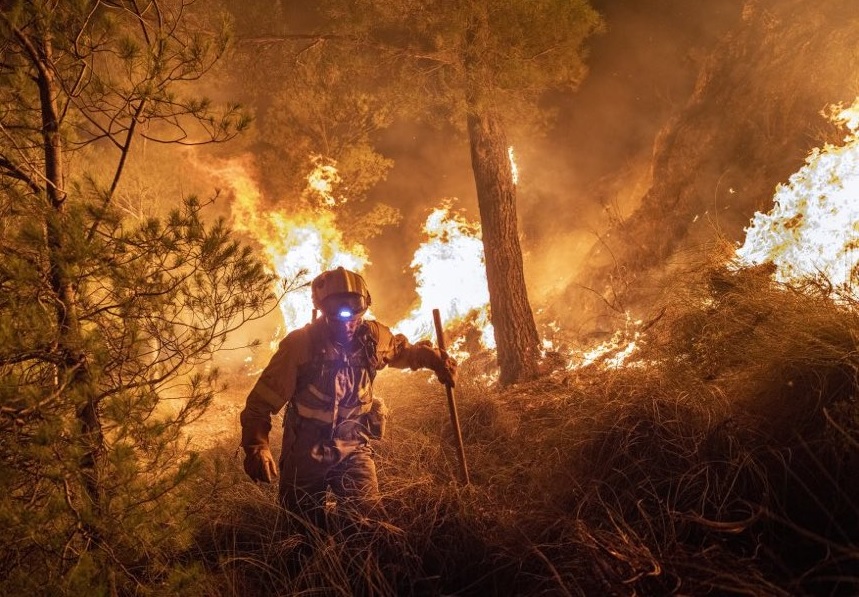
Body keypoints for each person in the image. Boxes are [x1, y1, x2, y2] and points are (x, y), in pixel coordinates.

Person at [240, 267, 457, 520]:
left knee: (367, 521)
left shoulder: (374, 337)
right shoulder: (300, 345)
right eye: (336, 311)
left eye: (355, 310)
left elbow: (403, 353)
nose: (347, 321)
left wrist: (433, 359)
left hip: (354, 445)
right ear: (322, 308)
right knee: (301, 525)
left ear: (365, 307)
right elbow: (260, 404)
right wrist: (257, 446)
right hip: (306, 448)